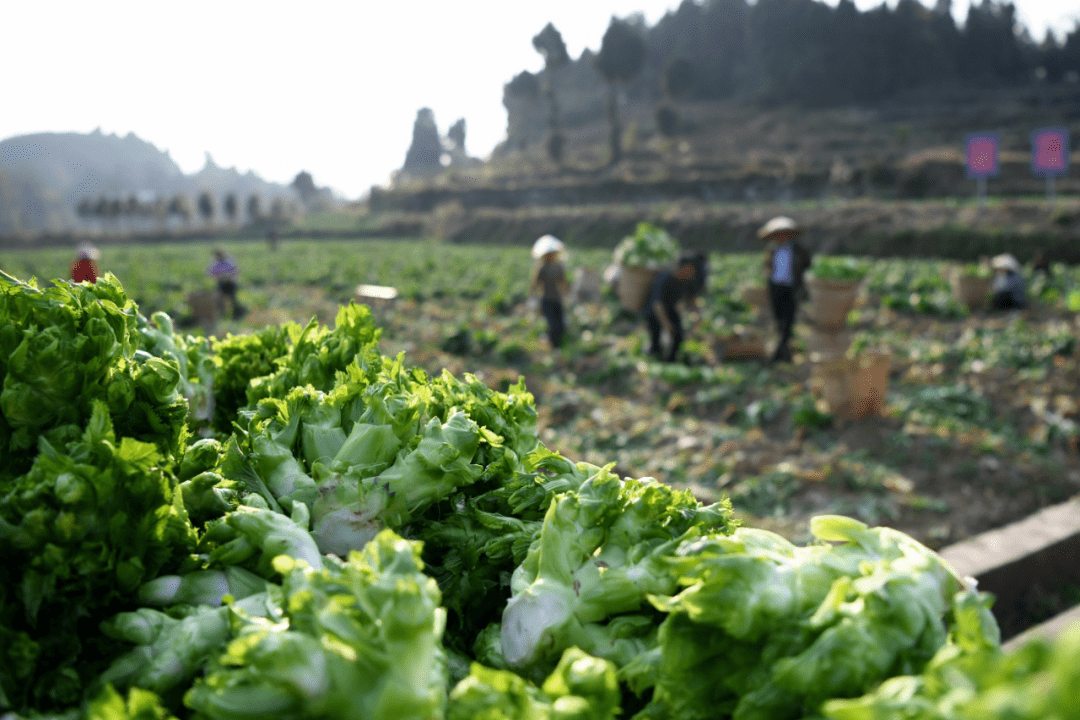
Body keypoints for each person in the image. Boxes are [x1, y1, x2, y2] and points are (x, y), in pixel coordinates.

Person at [760, 216, 812, 363]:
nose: (782, 237)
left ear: (790, 234)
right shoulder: (771, 249)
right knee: (779, 319)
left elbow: (807, 265)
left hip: (791, 288)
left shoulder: (799, 249)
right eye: (778, 234)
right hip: (776, 287)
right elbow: (768, 267)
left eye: (784, 234)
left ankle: (780, 351)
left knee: (788, 321)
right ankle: (784, 352)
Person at [644, 254, 700, 362]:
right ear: (683, 268)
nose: (692, 272)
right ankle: (653, 356)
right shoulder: (665, 278)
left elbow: (691, 299)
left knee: (678, 334)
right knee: (656, 338)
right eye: (690, 269)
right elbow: (657, 305)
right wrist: (666, 324)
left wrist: (698, 313)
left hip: (670, 308)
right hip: (653, 311)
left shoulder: (686, 280)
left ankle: (671, 360)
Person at [530, 235, 570, 349]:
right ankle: (554, 347)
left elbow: (563, 281)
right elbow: (536, 283)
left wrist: (568, 292)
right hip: (546, 299)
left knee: (561, 325)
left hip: (557, 299)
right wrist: (532, 296)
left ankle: (559, 346)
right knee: (553, 325)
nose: (551, 256)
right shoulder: (542, 268)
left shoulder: (559, 266)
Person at [207, 248, 243, 319]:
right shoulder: (214, 261)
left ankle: (235, 314)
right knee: (221, 299)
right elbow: (210, 273)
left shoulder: (229, 259)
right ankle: (223, 315)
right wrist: (217, 277)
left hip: (231, 282)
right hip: (221, 283)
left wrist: (232, 276)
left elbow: (237, 269)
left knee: (232, 298)